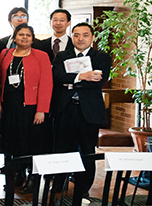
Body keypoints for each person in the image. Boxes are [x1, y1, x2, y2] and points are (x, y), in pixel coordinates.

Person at [51, 22, 110, 198]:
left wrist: (70, 82)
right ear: (72, 36)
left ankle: (83, 188)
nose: (80, 38)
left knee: (87, 151)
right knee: (62, 149)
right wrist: (82, 76)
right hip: (65, 110)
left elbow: (98, 81)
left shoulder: (101, 57)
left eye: (85, 35)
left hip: (89, 112)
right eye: (76, 35)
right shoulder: (63, 56)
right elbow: (57, 77)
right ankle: (58, 184)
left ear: (92, 37)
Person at [0, 24, 52, 192]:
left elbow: (46, 84)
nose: (24, 37)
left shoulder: (41, 56)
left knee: (32, 143)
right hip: (9, 107)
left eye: (28, 35)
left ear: (32, 38)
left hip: (31, 108)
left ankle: (33, 178)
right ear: (14, 37)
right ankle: (17, 175)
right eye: (21, 35)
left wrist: (41, 109)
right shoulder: (5, 54)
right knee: (12, 142)